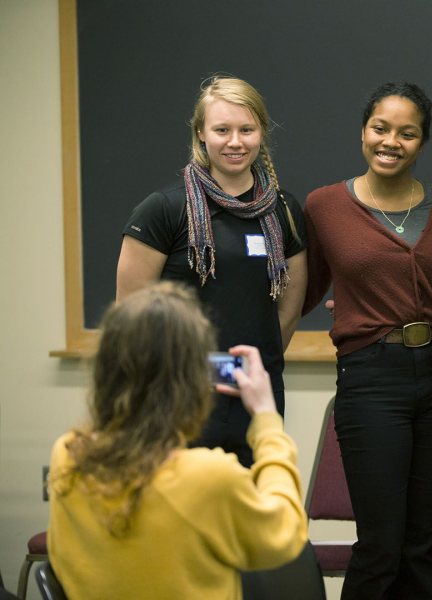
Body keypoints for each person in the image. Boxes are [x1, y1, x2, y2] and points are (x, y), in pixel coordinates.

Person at [302, 82, 432, 599]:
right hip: (371, 379)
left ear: (422, 142)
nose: (391, 141)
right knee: (380, 543)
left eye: (407, 133)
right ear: (363, 132)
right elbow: (301, 290)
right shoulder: (324, 206)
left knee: (422, 543)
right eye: (380, 128)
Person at [48, 282, 308, 599]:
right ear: (193, 381)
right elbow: (285, 536)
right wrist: (267, 419)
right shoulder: (207, 477)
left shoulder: (69, 454)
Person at [115, 76, 308, 468]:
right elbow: (131, 317)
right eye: (222, 130)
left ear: (261, 134)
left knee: (252, 519)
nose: (234, 142)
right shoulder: (163, 209)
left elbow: (287, 312)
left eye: (246, 130)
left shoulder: (284, 210)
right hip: (178, 398)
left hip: (257, 397)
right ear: (201, 133)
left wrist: (247, 370)